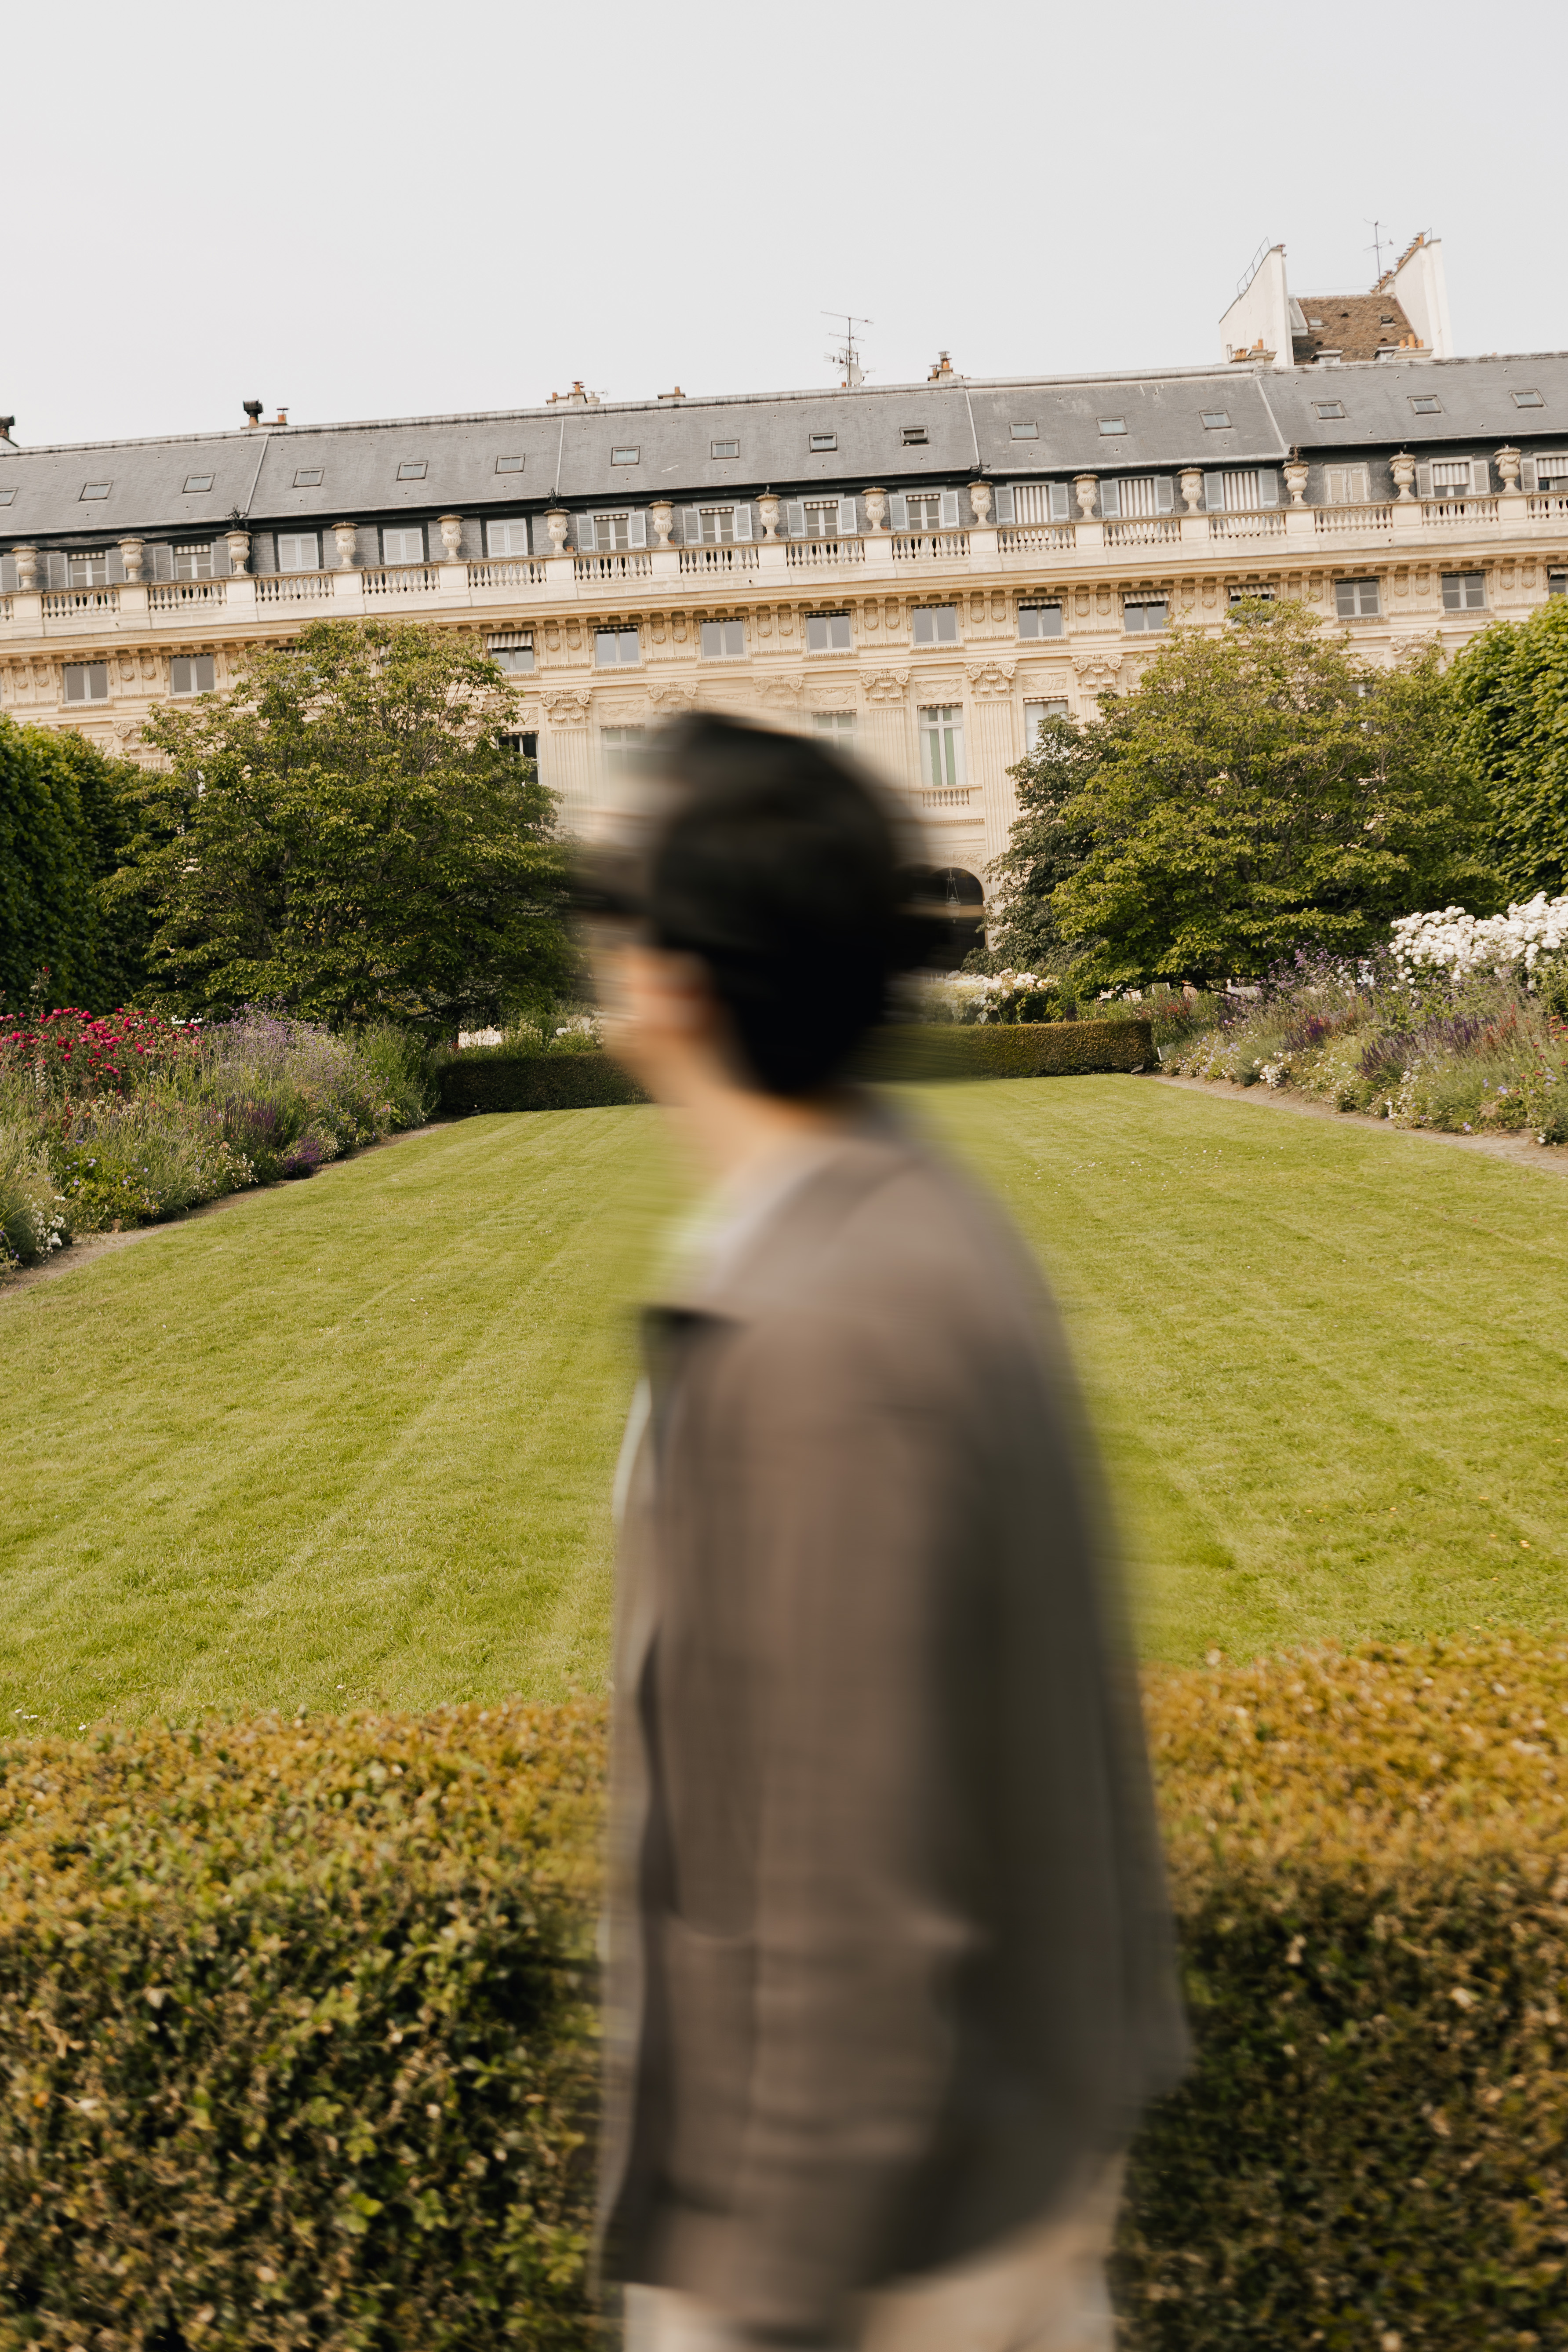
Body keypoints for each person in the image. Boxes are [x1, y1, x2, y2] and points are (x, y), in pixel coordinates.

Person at [587, 714, 1187, 2352]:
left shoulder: (813, 1321)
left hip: (864, 2255)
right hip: (986, 2181)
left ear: (679, 976)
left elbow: (845, 1885)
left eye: (611, 903)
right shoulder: (908, 1211)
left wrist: (768, 2287)